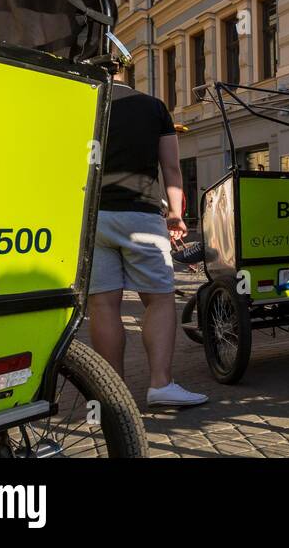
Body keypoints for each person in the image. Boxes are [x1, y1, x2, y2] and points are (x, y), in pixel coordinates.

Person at [88, 65, 208, 407]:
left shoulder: (85, 100)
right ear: (127, 70)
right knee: (158, 298)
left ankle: (114, 395)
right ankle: (160, 384)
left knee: (103, 303)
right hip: (140, 214)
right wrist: (175, 214)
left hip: (95, 216)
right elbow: (170, 168)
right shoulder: (153, 106)